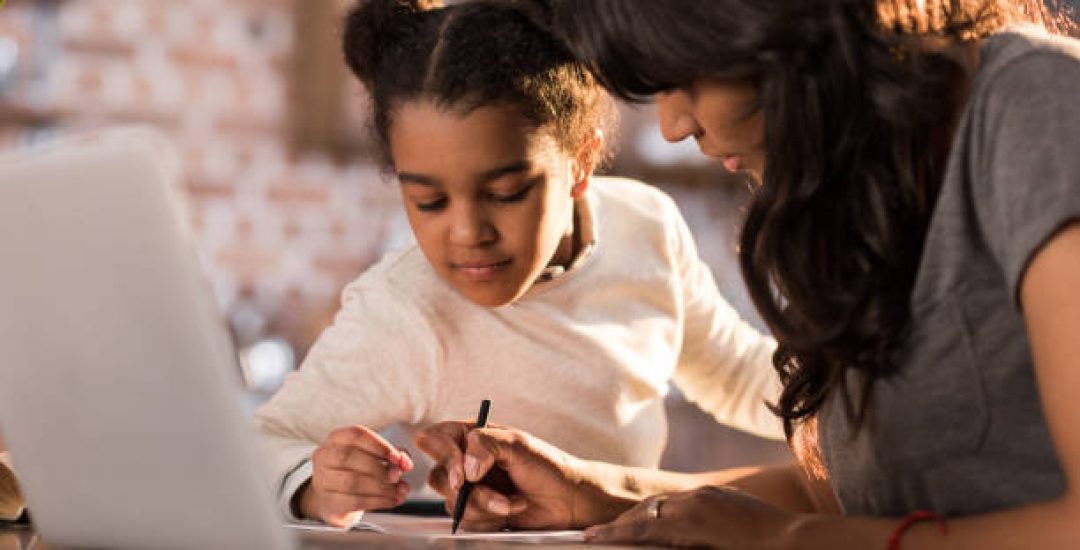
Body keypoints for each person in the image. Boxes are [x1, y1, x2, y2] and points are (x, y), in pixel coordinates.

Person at [415, 0, 1080, 546]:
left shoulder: (1037, 104)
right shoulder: (860, 182)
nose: (673, 126)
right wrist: (597, 493)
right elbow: (840, 499)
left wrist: (787, 541)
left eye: (684, 79)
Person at [253, 0, 784, 528]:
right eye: (430, 202)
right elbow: (261, 443)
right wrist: (314, 484)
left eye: (506, 192)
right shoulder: (405, 309)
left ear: (581, 160)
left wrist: (835, 390)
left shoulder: (644, 225)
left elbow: (736, 375)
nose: (468, 233)